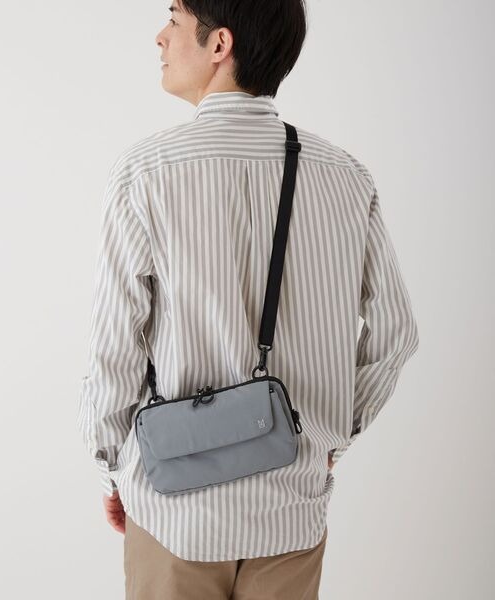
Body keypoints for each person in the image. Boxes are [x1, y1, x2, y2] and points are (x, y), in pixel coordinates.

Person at [78, 1, 419, 598]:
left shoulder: (146, 172)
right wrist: (328, 435)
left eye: (174, 20)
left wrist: (114, 467)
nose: (160, 37)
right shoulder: (345, 176)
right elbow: (396, 333)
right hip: (292, 511)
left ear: (220, 44)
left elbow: (115, 347)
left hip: (173, 510)